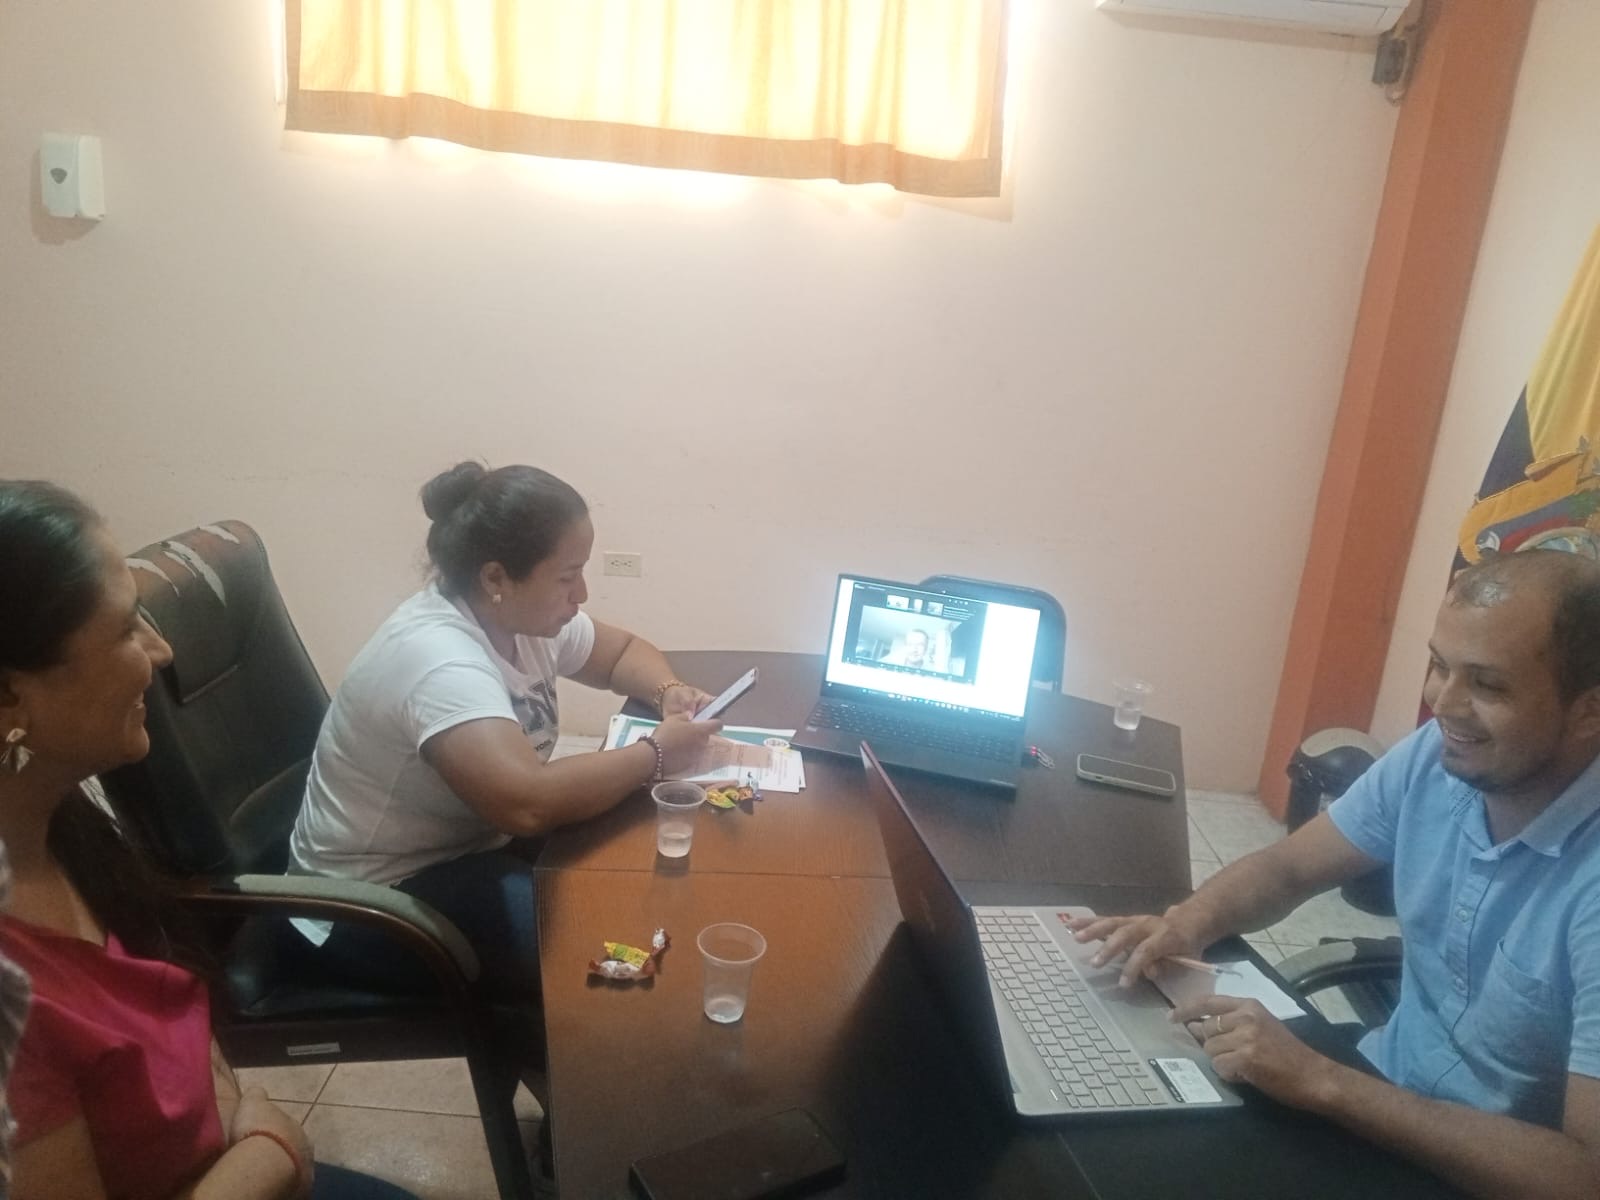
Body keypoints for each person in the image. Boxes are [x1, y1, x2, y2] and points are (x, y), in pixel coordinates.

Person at [1069, 549, 1600, 1200]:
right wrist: (1186, 924)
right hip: (1378, 1095)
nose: (1443, 704)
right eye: (1440, 666)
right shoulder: (1437, 760)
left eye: (1487, 685)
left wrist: (1322, 1081)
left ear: (1589, 711)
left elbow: (1587, 1174)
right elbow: (1289, 868)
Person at [0, 480, 416, 1200]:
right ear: (10, 696)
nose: (160, 650)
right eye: (125, 629)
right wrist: (266, 1153)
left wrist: (238, 1123)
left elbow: (170, 1010)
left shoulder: (66, 834)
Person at [289, 462, 723, 1001]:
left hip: (469, 849)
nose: (582, 593)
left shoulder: (524, 619)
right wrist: (655, 751)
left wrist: (667, 691)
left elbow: (622, 654)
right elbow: (527, 804)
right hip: (368, 901)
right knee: (607, 957)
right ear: (495, 578)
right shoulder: (439, 660)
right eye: (567, 576)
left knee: (627, 872)